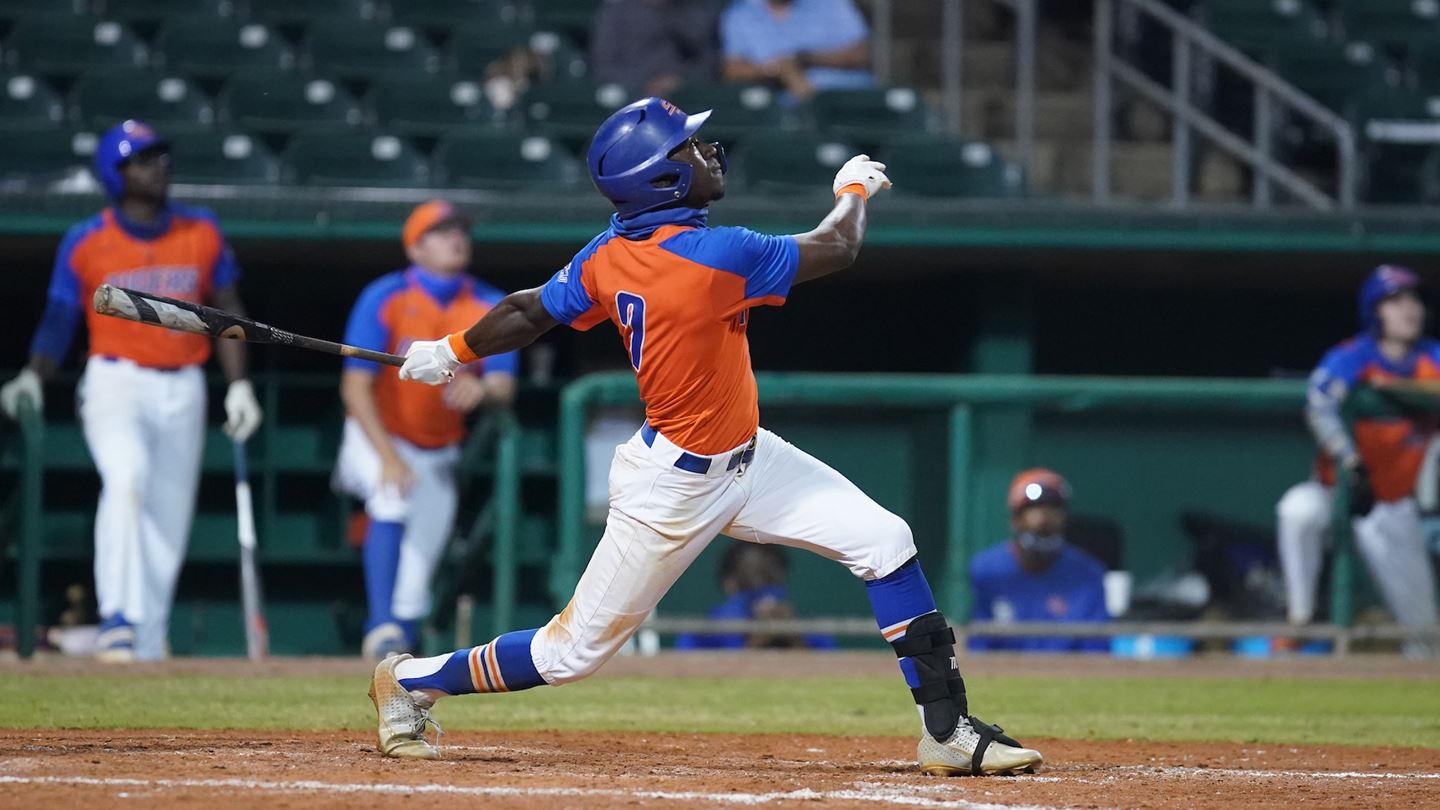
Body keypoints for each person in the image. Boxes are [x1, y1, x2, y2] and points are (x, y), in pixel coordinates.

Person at [367, 96, 1043, 778]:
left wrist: (449, 350)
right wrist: (852, 188)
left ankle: (948, 731)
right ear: (659, 181)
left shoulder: (612, 251)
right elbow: (839, 244)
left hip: (751, 460)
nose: (707, 152)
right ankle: (410, 679)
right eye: (687, 150)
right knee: (565, 657)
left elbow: (526, 310)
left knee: (886, 540)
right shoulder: (716, 253)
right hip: (674, 488)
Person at [0, 120, 261, 662]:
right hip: (116, 380)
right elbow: (59, 317)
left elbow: (229, 311)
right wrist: (33, 373)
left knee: (169, 514)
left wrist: (239, 386)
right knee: (127, 481)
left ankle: (145, 636)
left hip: (184, 384)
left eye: (159, 157)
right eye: (141, 160)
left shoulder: (201, 230)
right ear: (114, 175)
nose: (157, 167)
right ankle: (118, 617)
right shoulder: (87, 238)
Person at [333, 200, 518, 660]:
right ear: (415, 248)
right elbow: (355, 386)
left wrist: (483, 391)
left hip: (438, 447)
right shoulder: (386, 295)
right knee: (390, 495)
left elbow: (503, 382)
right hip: (376, 430)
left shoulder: (487, 302)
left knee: (423, 555)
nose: (457, 237)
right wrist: (388, 457)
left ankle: (399, 647)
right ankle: (379, 626)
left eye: (460, 229)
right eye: (442, 231)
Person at [1276, 265, 1440, 659]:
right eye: (1396, 301)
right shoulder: (1353, 355)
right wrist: (1350, 460)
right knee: (1296, 511)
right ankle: (1299, 616)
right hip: (1338, 487)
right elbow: (1317, 404)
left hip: (1392, 505)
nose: (1410, 309)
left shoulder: (1432, 357)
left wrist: (1399, 389)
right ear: (1375, 311)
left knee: (1426, 638)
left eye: (1413, 300)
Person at [968, 469, 1110, 653]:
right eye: (1034, 510)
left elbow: (1097, 650)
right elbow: (978, 646)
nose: (1044, 519)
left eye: (1053, 509)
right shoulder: (987, 571)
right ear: (1015, 520)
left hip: (1069, 676)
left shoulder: (1088, 574)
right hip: (1005, 675)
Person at [673, 542, 837, 650]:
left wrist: (795, 640)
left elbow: (835, 679)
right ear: (729, 583)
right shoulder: (702, 632)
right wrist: (758, 641)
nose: (761, 587)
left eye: (770, 578)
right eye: (749, 578)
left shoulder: (810, 631)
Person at [719, 0, 874, 102]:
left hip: (844, 100)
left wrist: (804, 59)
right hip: (781, 107)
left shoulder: (832, 4)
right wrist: (778, 70)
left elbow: (860, 54)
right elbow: (732, 70)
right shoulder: (741, 13)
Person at [591, 0, 720, 98]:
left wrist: (681, 82)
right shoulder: (619, 10)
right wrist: (643, 83)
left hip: (686, 99)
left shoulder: (697, 10)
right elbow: (604, 64)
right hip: (632, 99)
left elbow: (708, 63)